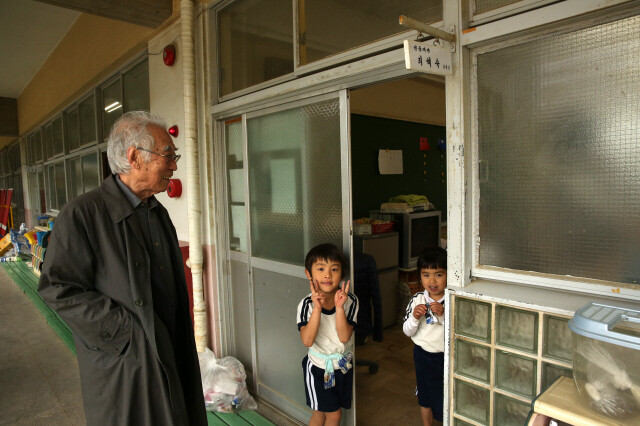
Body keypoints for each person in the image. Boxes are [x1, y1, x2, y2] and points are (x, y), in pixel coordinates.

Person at [38, 111, 207, 426]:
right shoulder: (82, 215)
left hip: (170, 350)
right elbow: (59, 290)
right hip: (124, 364)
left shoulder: (157, 213)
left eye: (174, 156)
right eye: (168, 156)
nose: (174, 165)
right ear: (134, 157)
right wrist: (128, 335)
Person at [297, 243, 359, 426]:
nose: (327, 275)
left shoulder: (351, 301)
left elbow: (344, 337)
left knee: (326, 413)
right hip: (318, 368)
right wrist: (317, 308)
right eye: (321, 269)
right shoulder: (306, 304)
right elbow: (307, 340)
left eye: (334, 269)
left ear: (342, 273)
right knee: (331, 415)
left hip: (342, 366)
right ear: (309, 274)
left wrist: (339, 308)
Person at [402, 247, 447, 426]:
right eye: (426, 275)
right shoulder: (417, 300)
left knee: (446, 394)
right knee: (425, 395)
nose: (432, 281)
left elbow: (460, 331)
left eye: (438, 274)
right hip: (422, 355)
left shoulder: (453, 299)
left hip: (446, 357)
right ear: (420, 276)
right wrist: (414, 318)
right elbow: (407, 331)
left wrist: (443, 315)